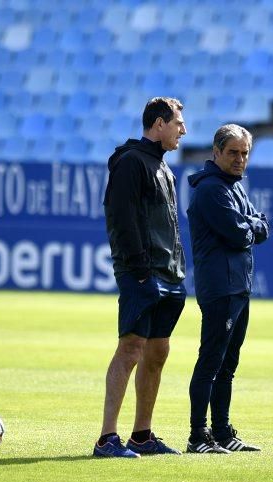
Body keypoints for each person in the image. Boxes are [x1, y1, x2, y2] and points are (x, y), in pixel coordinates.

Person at [94, 97, 187, 458]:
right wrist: (139, 269)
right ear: (159, 124)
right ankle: (106, 438)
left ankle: (142, 435)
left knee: (158, 351)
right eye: (178, 122)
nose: (183, 129)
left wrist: (175, 267)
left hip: (170, 272)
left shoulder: (163, 167)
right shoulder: (131, 163)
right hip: (143, 274)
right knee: (131, 348)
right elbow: (120, 219)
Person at [185, 124, 270, 454]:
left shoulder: (233, 186)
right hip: (221, 286)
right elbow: (241, 232)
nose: (239, 159)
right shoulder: (211, 190)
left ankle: (222, 431)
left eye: (244, 153)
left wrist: (251, 225)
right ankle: (197, 436)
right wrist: (252, 226)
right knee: (211, 361)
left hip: (237, 285)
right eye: (233, 152)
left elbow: (260, 225)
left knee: (227, 365)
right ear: (216, 152)